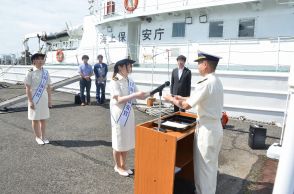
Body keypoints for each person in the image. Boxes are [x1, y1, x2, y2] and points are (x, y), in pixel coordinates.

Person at [164, 51, 223, 194]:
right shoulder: (216, 80)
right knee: (210, 166)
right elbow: (198, 97)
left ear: (205, 64)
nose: (197, 67)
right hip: (215, 127)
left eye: (199, 64)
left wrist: (171, 99)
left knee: (203, 168)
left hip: (206, 130)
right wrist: (181, 96)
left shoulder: (204, 83)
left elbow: (185, 106)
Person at [109, 58, 147, 176]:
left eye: (130, 65)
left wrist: (151, 93)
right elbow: (119, 100)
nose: (130, 67)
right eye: (128, 65)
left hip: (128, 113)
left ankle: (124, 164)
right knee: (118, 140)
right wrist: (134, 95)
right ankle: (118, 166)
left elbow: (139, 95)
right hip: (119, 115)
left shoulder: (130, 80)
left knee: (126, 140)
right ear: (120, 67)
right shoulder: (114, 80)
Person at [24, 52, 52, 145]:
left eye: (42, 59)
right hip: (34, 98)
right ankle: (37, 137)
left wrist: (50, 100)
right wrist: (30, 101)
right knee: (35, 119)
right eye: (38, 59)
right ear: (34, 61)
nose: (41, 61)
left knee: (43, 119)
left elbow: (48, 87)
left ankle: (43, 137)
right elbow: (27, 88)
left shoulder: (46, 72)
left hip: (43, 97)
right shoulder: (30, 72)